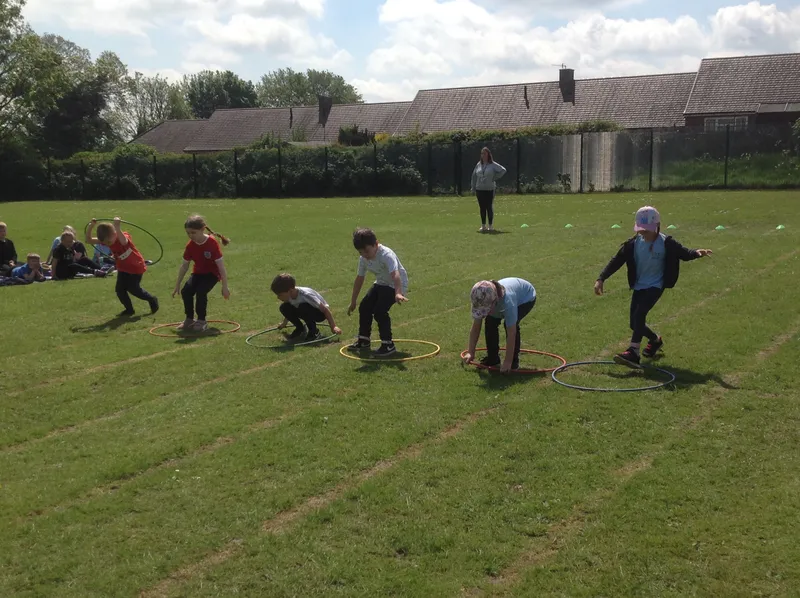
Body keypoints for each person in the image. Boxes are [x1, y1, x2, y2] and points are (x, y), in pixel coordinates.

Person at [595, 205, 713, 368]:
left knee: (640, 314)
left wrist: (697, 253)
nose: (643, 233)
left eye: (647, 230)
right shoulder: (633, 244)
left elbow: (684, 253)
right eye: (641, 229)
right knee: (634, 323)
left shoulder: (666, 243)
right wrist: (601, 278)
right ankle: (655, 340)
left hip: (656, 285)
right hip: (639, 285)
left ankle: (633, 352)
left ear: (657, 226)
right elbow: (617, 260)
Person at [347, 227, 408, 356]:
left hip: (396, 285)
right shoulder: (363, 259)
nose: (365, 255)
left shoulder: (386, 255)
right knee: (364, 307)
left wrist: (398, 293)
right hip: (381, 283)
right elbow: (359, 279)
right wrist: (353, 301)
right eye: (360, 252)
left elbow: (395, 274)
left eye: (367, 251)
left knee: (380, 311)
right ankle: (364, 340)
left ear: (376, 244)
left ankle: (388, 345)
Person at [87, 217, 158, 316]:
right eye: (105, 243)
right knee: (120, 290)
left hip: (135, 266)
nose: (107, 244)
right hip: (123, 268)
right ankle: (129, 310)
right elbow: (89, 240)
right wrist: (91, 226)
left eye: (108, 242)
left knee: (133, 289)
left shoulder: (123, 236)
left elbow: (124, 242)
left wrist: (117, 227)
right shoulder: (107, 239)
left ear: (114, 234)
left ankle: (152, 299)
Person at [463, 278, 536, 373]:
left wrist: (508, 362)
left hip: (526, 298)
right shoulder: (479, 298)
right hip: (500, 300)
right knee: (490, 323)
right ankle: (493, 359)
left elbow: (512, 333)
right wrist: (470, 352)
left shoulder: (508, 302)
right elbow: (476, 327)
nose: (484, 312)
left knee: (509, 324)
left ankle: (513, 362)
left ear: (495, 301)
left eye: (486, 309)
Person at [172, 214, 231, 332]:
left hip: (212, 274)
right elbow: (184, 266)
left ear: (202, 229)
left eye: (193, 232)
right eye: (188, 233)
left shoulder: (212, 243)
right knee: (186, 291)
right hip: (198, 273)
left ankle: (202, 321)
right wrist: (177, 284)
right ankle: (189, 319)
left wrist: (225, 287)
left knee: (201, 291)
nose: (190, 235)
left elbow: (221, 267)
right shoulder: (190, 245)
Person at [271, 273, 343, 341]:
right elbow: (290, 310)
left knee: (303, 307)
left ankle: (314, 331)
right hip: (304, 311)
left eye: (280, 295)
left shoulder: (306, 295)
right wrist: (284, 323)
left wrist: (333, 326)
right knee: (284, 307)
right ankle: (300, 328)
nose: (278, 297)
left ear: (290, 291)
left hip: (319, 313)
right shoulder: (289, 296)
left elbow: (325, 310)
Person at [470, 147, 507, 232]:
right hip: (479, 189)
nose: (483, 155)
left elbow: (503, 170)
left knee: (489, 206)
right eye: (482, 153)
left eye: (485, 154)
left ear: (488, 155)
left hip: (489, 189)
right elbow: (474, 176)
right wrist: (473, 187)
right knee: (482, 207)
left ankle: (490, 226)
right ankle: (483, 226)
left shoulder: (492, 164)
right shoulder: (479, 164)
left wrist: (494, 177)